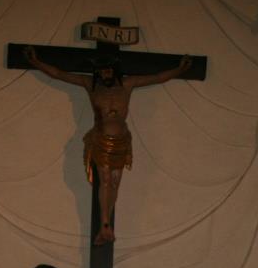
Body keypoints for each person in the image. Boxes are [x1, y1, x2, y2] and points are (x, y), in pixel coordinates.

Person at [24, 46, 192, 245]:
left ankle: (107, 226)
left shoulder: (128, 84)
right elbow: (59, 74)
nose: (105, 74)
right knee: (104, 180)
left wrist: (180, 70)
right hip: (101, 139)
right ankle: (104, 224)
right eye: (101, 71)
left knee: (114, 182)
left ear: (115, 70)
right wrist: (36, 62)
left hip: (121, 141)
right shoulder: (90, 84)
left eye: (108, 70)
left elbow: (157, 77)